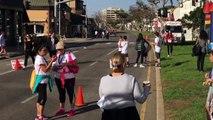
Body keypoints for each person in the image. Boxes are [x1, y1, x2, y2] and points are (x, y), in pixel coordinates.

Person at [98, 53, 150, 120]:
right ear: (124, 64)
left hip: (108, 115)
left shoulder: (103, 79)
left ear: (111, 64)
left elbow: (102, 99)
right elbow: (140, 99)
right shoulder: (131, 79)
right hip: (128, 114)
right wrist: (146, 89)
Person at [52, 41, 78, 117]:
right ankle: (62, 108)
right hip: (58, 77)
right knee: (61, 93)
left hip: (69, 77)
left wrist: (66, 64)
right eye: (58, 49)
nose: (59, 51)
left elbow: (75, 64)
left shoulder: (70, 54)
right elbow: (53, 68)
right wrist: (55, 67)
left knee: (70, 93)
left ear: (64, 48)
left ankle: (72, 109)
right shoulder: (57, 56)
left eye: (60, 49)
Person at [33, 45, 57, 120]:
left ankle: (39, 114)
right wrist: (52, 61)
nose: (45, 51)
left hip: (42, 81)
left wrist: (50, 61)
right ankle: (40, 116)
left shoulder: (40, 57)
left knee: (40, 98)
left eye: (46, 50)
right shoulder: (39, 59)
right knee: (43, 98)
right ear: (39, 51)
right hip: (41, 81)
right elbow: (45, 70)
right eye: (44, 50)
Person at [203, 43, 213, 120]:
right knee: (207, 107)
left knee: (210, 110)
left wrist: (210, 80)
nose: (209, 57)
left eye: (210, 55)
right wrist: (209, 74)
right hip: (211, 90)